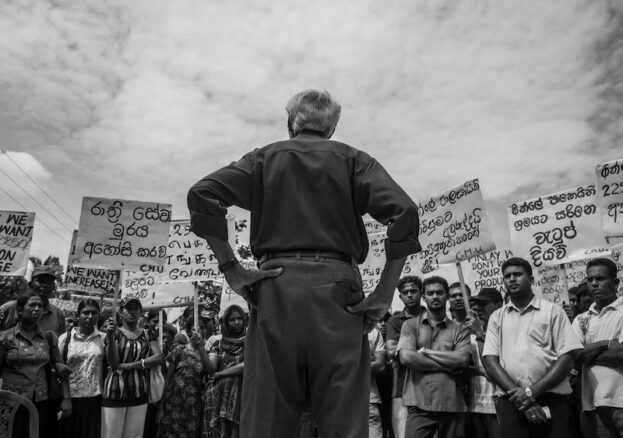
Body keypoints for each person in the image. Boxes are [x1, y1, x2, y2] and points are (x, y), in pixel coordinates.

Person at [187, 89, 420, 437]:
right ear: (333, 126)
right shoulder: (354, 160)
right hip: (339, 290)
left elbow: (202, 193)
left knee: (267, 416)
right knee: (344, 417)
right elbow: (405, 212)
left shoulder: (264, 158)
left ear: (290, 122)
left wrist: (231, 268)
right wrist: (386, 290)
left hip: (277, 285)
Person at [482, 257, 583, 438]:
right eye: (507, 276)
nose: (512, 279)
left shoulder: (552, 311)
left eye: (518, 274)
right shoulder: (497, 317)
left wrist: (530, 392)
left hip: (552, 398)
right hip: (512, 401)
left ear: (531, 279)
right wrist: (524, 399)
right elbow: (490, 361)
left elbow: (567, 358)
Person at [397, 276, 471, 438]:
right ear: (424, 297)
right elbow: (407, 358)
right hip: (419, 405)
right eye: (430, 293)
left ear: (446, 296)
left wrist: (426, 352)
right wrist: (449, 364)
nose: (435, 296)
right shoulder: (410, 326)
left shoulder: (460, 330)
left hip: (452, 405)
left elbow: (462, 360)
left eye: (439, 293)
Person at [0, 289, 72, 438]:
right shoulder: (5, 338)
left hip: (41, 401)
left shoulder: (48, 337)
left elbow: (61, 370)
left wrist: (66, 399)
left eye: (40, 306)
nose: (37, 309)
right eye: (32, 305)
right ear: (20, 310)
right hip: (10, 402)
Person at [572, 258, 623, 438]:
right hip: (592, 403)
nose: (593, 284)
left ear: (615, 282)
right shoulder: (581, 319)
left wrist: (587, 351)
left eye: (600, 278)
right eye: (590, 279)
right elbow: (572, 358)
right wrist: (606, 343)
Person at [102, 296, 163, 438]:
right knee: (111, 435)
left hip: (139, 392)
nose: (132, 312)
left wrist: (131, 365)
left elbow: (158, 358)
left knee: (134, 435)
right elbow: (114, 362)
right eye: (128, 308)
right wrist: (110, 337)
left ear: (141, 312)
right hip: (114, 391)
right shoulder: (114, 333)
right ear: (120, 312)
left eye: (136, 308)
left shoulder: (148, 334)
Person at [58, 299, 111, 438]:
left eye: (94, 313)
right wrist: (65, 398)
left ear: (99, 316)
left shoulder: (104, 338)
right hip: (69, 397)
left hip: (95, 398)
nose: (90, 316)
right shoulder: (65, 339)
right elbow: (57, 369)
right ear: (77, 315)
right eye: (85, 312)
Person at [157, 315, 211, 438]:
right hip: (172, 405)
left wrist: (202, 349)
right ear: (188, 332)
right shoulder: (179, 351)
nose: (199, 331)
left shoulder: (207, 356)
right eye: (194, 329)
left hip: (193, 409)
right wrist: (161, 407)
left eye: (202, 328)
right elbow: (168, 380)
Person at [385, 276, 424, 438]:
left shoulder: (433, 316)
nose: (409, 295)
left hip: (429, 385)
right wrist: (425, 350)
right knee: (402, 434)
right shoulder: (395, 321)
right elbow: (392, 351)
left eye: (413, 291)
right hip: (401, 386)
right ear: (400, 296)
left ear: (421, 293)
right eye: (405, 292)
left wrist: (408, 350)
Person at [202, 304, 247, 438]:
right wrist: (200, 349)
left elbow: (249, 365)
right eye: (232, 320)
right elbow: (211, 370)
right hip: (219, 398)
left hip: (243, 397)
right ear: (226, 323)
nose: (237, 322)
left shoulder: (251, 341)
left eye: (239, 319)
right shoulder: (218, 344)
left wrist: (221, 374)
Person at [465, 288, 504, 438]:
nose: (479, 308)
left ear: (499, 304)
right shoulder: (469, 334)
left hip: (497, 406)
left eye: (485, 304)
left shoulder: (504, 331)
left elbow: (493, 367)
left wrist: (480, 333)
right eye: (477, 304)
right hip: (475, 405)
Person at [0, 265, 66, 334]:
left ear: (53, 286)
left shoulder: (58, 315)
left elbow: (61, 342)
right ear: (31, 284)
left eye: (49, 282)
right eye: (41, 281)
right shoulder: (10, 307)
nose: (45, 285)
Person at [368, 325, 386, 438]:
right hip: (338, 399)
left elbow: (380, 365)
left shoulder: (373, 332)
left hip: (368, 399)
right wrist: (367, 361)